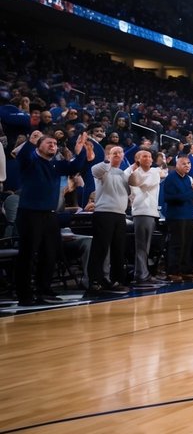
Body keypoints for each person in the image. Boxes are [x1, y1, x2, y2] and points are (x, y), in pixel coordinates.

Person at [14, 130, 94, 305]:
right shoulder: (32, 161)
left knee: (50, 253)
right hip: (30, 213)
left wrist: (79, 151)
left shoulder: (56, 165)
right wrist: (30, 142)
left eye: (55, 144)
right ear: (39, 146)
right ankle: (24, 294)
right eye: (49, 143)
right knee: (27, 254)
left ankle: (45, 290)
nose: (53, 145)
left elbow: (74, 168)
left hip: (50, 215)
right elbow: (22, 159)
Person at [87, 145, 132, 296]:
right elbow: (94, 170)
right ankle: (95, 281)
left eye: (120, 152)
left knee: (118, 250)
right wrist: (108, 161)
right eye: (114, 153)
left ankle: (116, 280)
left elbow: (129, 193)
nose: (117, 155)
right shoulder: (102, 169)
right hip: (104, 213)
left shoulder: (123, 174)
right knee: (100, 249)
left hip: (120, 215)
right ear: (108, 155)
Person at [126, 149, 165, 288]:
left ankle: (142, 273)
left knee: (145, 246)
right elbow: (141, 184)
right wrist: (134, 171)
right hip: (140, 211)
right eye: (144, 156)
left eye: (149, 156)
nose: (148, 158)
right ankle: (141, 275)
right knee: (141, 245)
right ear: (137, 159)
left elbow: (160, 174)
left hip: (151, 211)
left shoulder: (154, 171)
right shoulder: (133, 173)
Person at [161, 154, 193, 282]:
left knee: (187, 244)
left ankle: (185, 269)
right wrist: (192, 191)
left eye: (189, 163)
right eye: (184, 163)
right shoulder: (171, 178)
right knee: (176, 244)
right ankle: (173, 271)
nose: (187, 166)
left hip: (189, 215)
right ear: (177, 165)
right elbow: (170, 198)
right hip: (176, 216)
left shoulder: (189, 179)